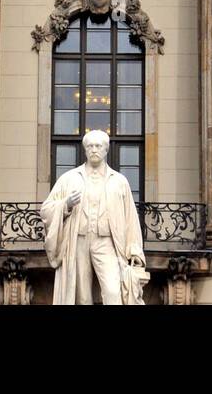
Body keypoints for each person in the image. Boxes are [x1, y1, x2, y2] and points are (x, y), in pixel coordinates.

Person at [41, 129, 147, 305]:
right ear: (85, 150)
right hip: (79, 240)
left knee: (113, 291)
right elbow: (46, 210)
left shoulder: (119, 181)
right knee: (82, 297)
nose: (94, 150)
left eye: (98, 146)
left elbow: (130, 219)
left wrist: (135, 250)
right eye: (90, 146)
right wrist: (65, 204)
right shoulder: (69, 179)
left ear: (106, 149)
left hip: (107, 242)